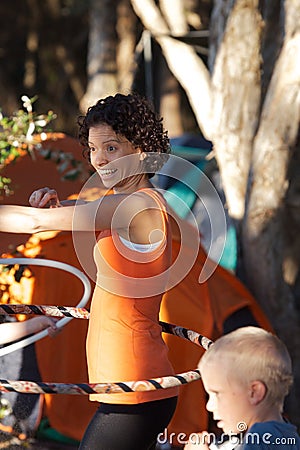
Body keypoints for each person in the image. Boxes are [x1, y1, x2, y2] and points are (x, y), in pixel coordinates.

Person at [0, 92, 179, 450]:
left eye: (111, 148)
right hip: (128, 381)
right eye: (94, 150)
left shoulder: (135, 206)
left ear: (142, 149)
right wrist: (57, 203)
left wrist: (46, 213)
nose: (99, 160)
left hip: (135, 385)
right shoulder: (125, 203)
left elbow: (36, 223)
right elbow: (71, 210)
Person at [184, 326, 300, 449]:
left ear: (254, 393)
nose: (209, 406)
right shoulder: (282, 435)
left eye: (217, 394)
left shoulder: (262, 436)